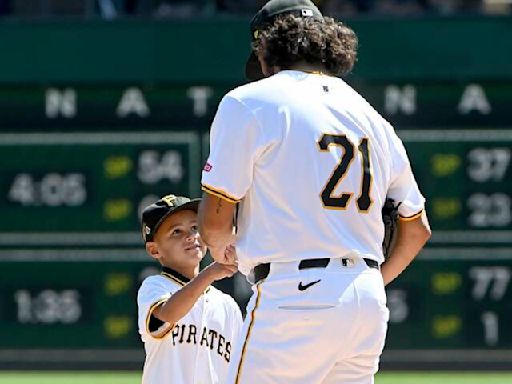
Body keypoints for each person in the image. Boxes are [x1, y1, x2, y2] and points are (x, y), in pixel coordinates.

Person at [198, 0, 431, 383]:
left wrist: (227, 250)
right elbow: (416, 227)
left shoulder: (251, 101)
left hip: (294, 293)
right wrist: (363, 282)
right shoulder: (372, 117)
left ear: (265, 48)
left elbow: (215, 221)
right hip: (366, 301)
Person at [137, 194, 243, 384]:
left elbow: (240, 372)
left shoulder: (228, 307)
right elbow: (160, 323)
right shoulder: (155, 287)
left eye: (195, 228)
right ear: (154, 250)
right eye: (176, 231)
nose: (191, 236)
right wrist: (210, 274)